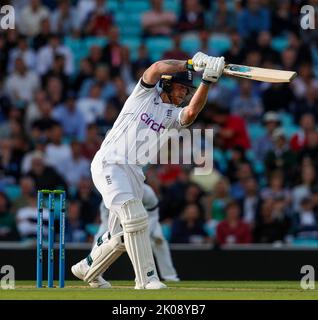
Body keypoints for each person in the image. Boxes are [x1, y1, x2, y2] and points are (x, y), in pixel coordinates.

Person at [71, 52, 225, 289]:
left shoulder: (172, 114)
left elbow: (191, 114)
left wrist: (207, 82)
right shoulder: (144, 94)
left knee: (121, 236)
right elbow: (155, 68)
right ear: (167, 83)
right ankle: (146, 280)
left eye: (188, 90)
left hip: (133, 171)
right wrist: (191, 64)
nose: (185, 93)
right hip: (110, 162)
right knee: (136, 218)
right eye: (182, 88)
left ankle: (87, 269)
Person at [72, 183, 179, 288]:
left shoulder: (148, 193)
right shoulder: (113, 191)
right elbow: (105, 216)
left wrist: (144, 232)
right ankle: (94, 272)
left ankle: (170, 277)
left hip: (147, 221)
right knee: (107, 237)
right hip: (115, 218)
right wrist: (112, 232)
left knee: (159, 241)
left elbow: (153, 215)